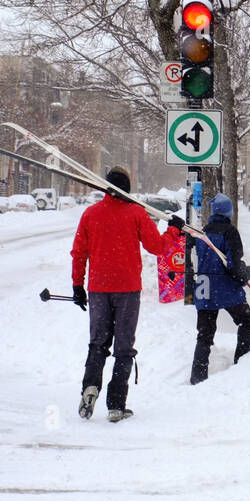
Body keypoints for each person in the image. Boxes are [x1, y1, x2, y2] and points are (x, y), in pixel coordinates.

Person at [70, 165, 183, 421]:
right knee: (123, 347)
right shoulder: (136, 213)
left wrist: (78, 285)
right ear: (127, 188)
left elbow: (79, 253)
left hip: (99, 288)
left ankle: (90, 387)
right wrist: (174, 230)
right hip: (128, 289)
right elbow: (157, 247)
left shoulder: (90, 214)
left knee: (98, 344)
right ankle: (116, 405)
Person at [189, 193, 250, 385]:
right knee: (246, 321)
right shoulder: (229, 232)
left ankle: (197, 377)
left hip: (204, 287)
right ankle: (242, 365)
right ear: (228, 211)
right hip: (225, 288)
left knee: (204, 335)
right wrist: (245, 274)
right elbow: (233, 266)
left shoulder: (203, 232)